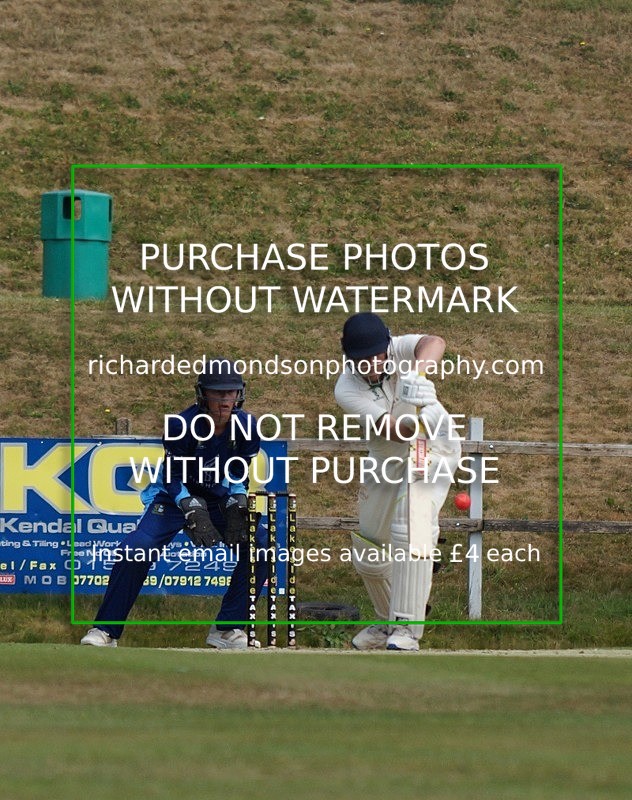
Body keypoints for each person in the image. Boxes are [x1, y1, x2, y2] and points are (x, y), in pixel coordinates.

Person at [81, 358, 269, 650]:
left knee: (262, 547)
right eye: (217, 393)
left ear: (240, 393)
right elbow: (172, 476)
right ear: (202, 394)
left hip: (217, 495)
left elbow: (238, 471)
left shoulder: (248, 426)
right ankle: (105, 630)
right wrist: (189, 506)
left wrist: (236, 501)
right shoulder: (182, 424)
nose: (224, 400)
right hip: (173, 496)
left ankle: (227, 628)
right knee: (135, 550)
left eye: (230, 392)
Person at [334, 312, 461, 651]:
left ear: (387, 345)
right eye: (363, 359)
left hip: (430, 446)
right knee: (369, 550)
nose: (374, 363)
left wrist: (419, 375)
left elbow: (435, 342)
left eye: (378, 354)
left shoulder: (399, 348)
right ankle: (385, 622)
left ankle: (407, 629)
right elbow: (395, 430)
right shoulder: (346, 389)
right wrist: (411, 407)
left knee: (412, 525)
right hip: (389, 453)